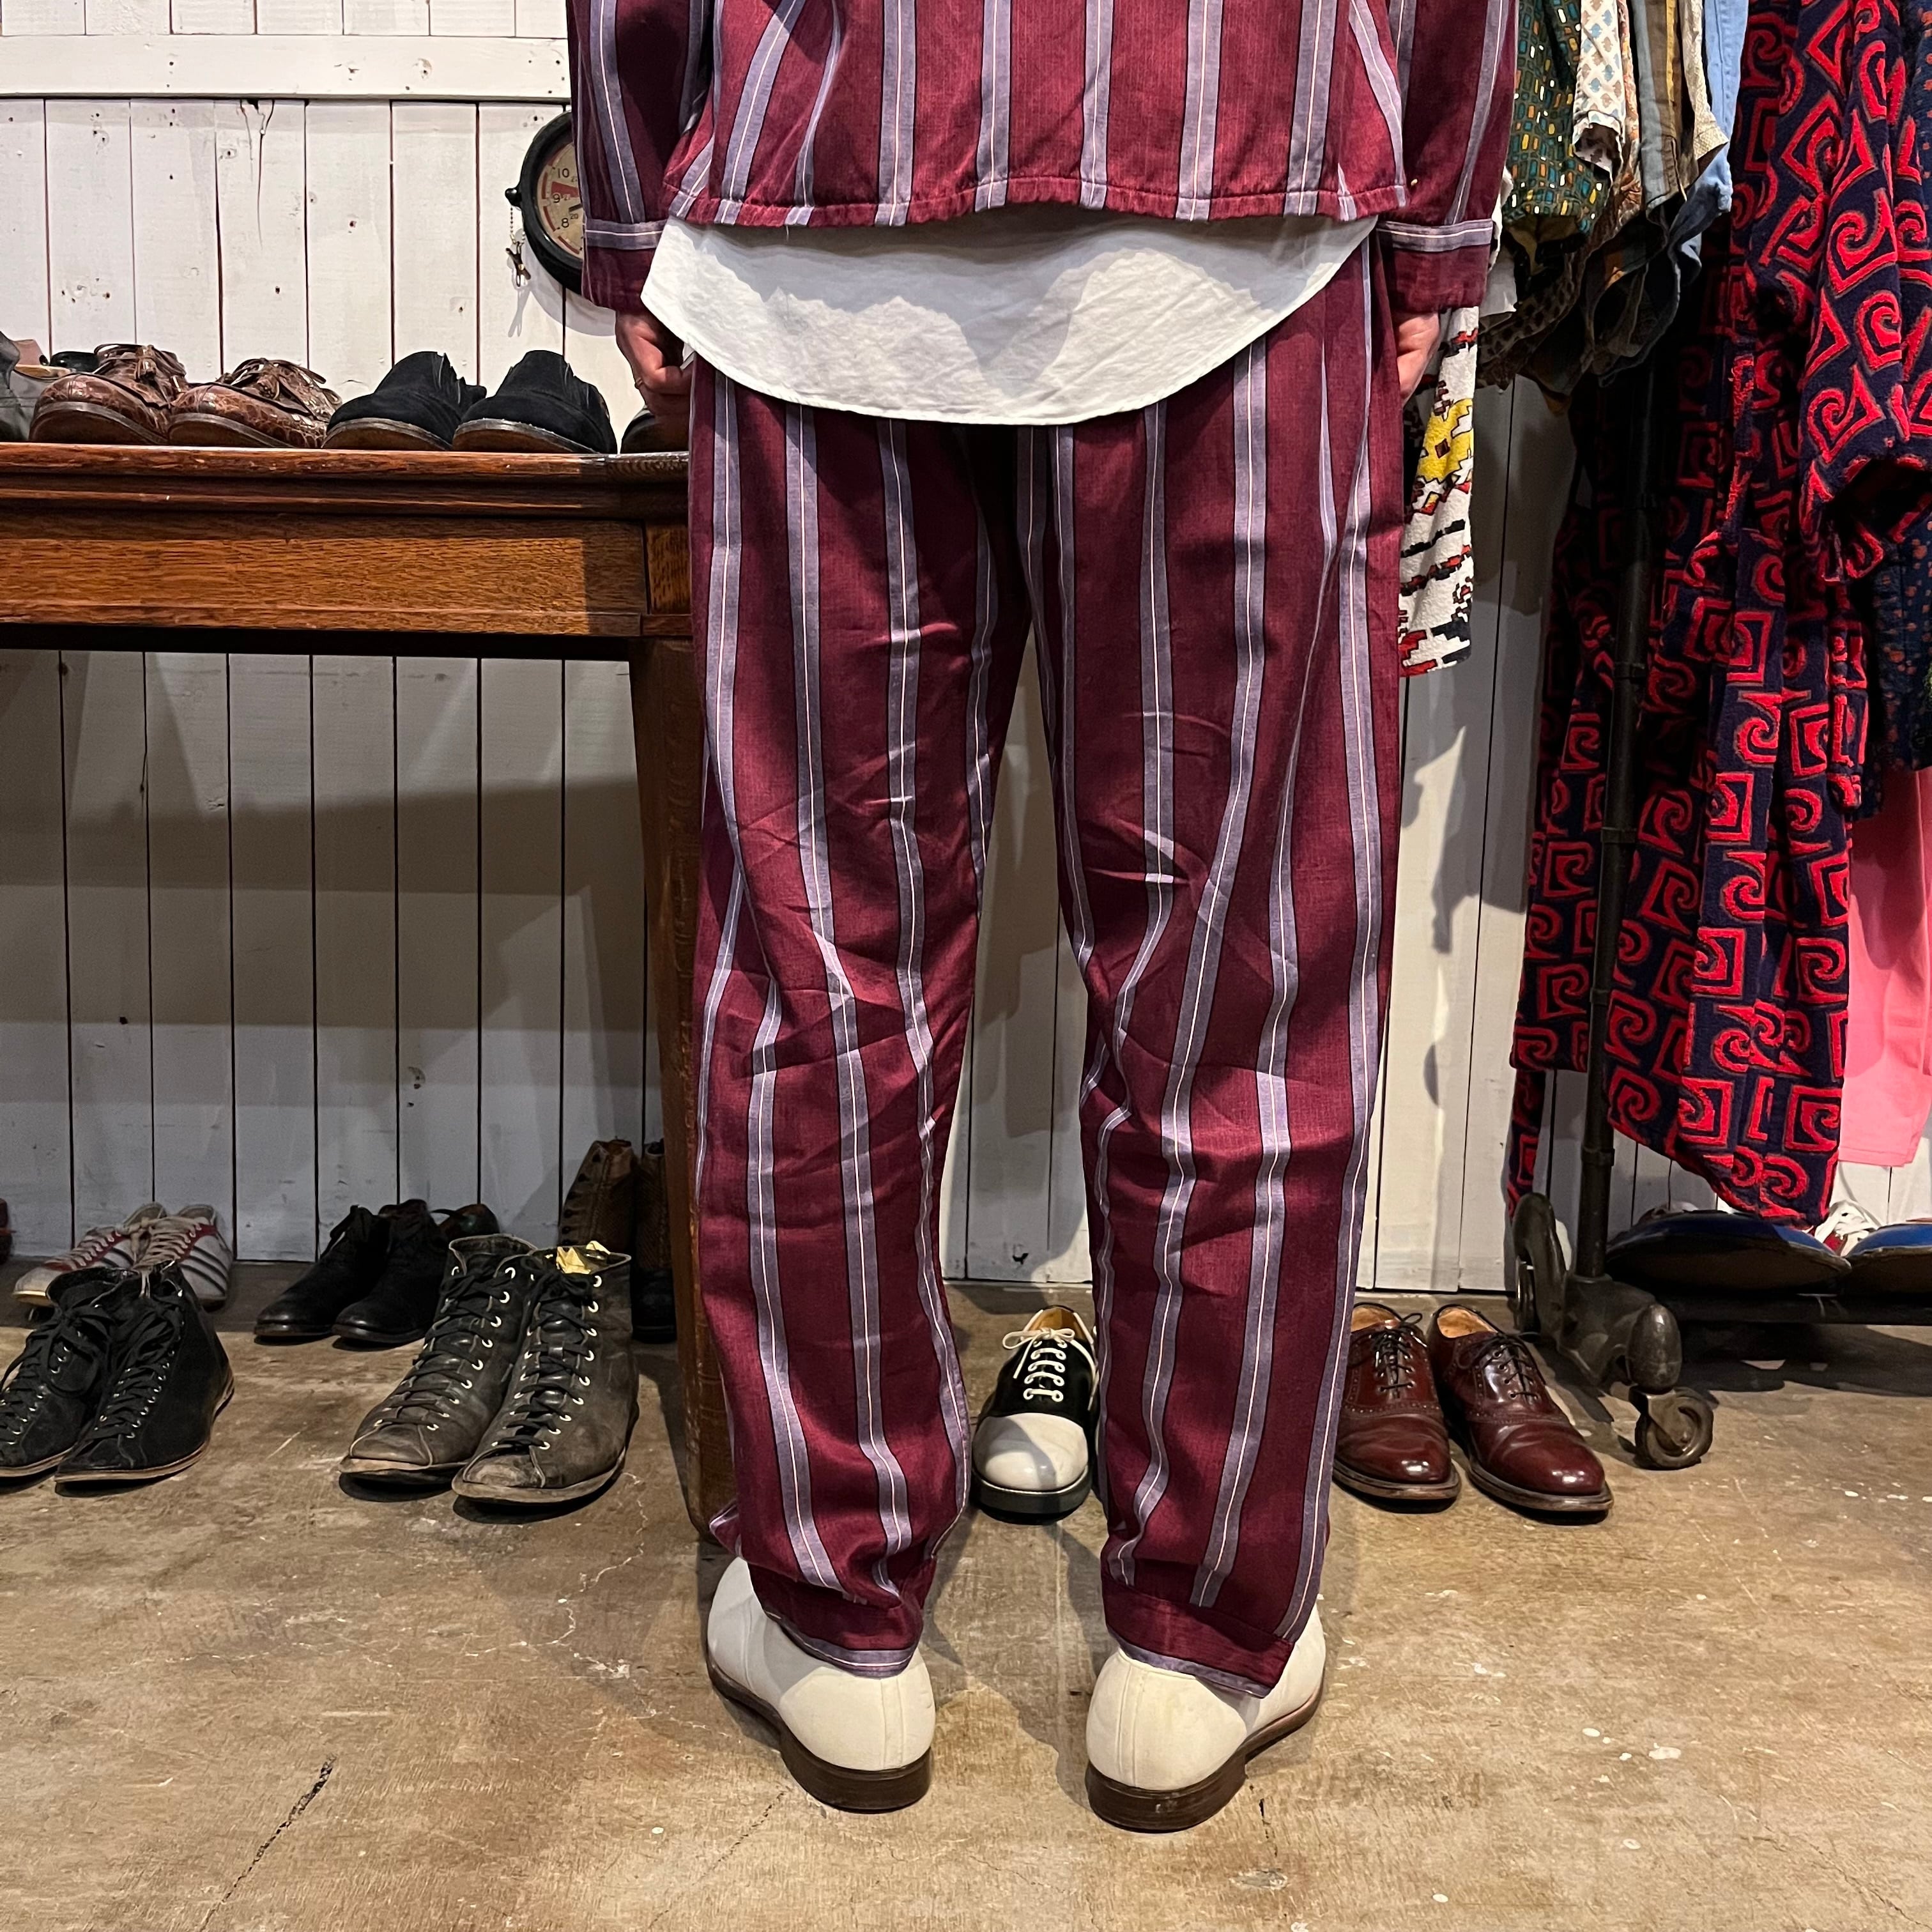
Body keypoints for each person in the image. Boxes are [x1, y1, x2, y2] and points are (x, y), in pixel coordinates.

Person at [566, 2, 1514, 1831]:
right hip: (1241, 194)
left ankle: (835, 1613)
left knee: (820, 963)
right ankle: (1202, 1638)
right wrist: (1438, 214)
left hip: (820, 209)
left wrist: (634, 204)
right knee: (1241, 977)